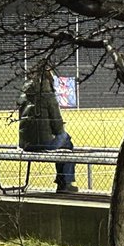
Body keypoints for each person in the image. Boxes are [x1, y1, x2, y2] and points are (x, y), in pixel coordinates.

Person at [18, 64, 78, 193]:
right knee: (67, 142)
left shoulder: (23, 96)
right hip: (44, 143)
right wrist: (60, 132)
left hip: (26, 144)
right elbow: (57, 126)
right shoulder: (48, 96)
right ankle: (65, 183)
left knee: (64, 145)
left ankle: (63, 182)